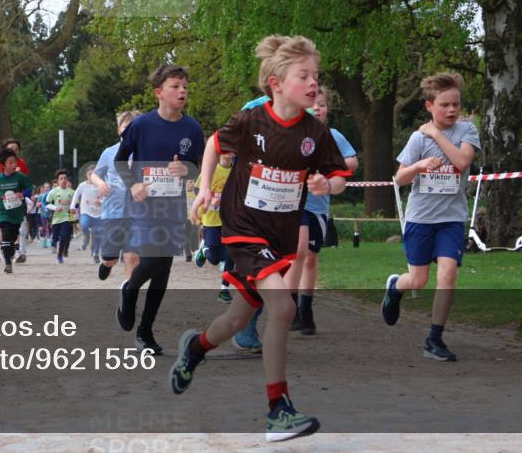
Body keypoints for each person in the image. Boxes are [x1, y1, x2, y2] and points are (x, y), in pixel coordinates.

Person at [170, 35, 350, 442]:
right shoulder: (252, 121)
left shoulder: (315, 133)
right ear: (276, 82)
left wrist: (326, 184)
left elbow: (338, 176)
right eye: (303, 76)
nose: (313, 85)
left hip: (280, 236)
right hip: (244, 229)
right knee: (282, 309)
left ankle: (195, 349)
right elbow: (214, 144)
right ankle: (278, 410)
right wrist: (202, 189)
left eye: (315, 78)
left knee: (236, 319)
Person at [382, 72, 480, 362]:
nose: (451, 110)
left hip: (451, 218)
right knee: (419, 280)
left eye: (456, 104)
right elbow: (399, 178)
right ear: (429, 106)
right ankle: (395, 287)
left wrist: (436, 134)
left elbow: (462, 163)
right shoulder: (416, 139)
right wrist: (419, 166)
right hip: (421, 218)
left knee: (448, 273)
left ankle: (434, 339)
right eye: (444, 105)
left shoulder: (467, 132)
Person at [115, 64, 204, 356]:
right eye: (176, 86)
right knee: (153, 262)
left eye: (185, 87)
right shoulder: (140, 126)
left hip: (172, 205)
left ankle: (146, 331)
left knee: (164, 268)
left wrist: (186, 168)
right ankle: (129, 291)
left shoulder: (192, 128)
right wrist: (133, 185)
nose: (182, 91)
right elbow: (120, 160)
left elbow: (198, 168)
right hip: (144, 205)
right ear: (159, 92)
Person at [288, 87, 358, 335]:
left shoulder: (333, 136)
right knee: (299, 250)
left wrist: (327, 167)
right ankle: (291, 307)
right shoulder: (292, 131)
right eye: (312, 104)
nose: (317, 108)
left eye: (322, 104)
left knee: (311, 256)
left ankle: (306, 311)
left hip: (319, 203)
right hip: (294, 202)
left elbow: (352, 161)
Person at [92, 110, 141, 281]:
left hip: (137, 213)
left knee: (132, 257)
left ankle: (128, 295)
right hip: (113, 212)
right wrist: (101, 184)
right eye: (125, 127)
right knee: (110, 258)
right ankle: (106, 263)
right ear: (119, 130)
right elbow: (94, 174)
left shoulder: (144, 152)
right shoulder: (109, 152)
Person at [192, 150, 234, 303]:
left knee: (231, 254)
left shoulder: (237, 171)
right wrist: (208, 202)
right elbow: (198, 191)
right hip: (211, 220)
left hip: (230, 221)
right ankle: (204, 249)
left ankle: (224, 289)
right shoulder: (211, 170)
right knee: (215, 259)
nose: (228, 151)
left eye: (232, 148)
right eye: (225, 148)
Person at [0, 149, 32, 273]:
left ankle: (10, 253)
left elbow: (29, 189)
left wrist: (22, 194)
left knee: (12, 238)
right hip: (3, 212)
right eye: (10, 163)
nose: (13, 165)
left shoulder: (20, 177)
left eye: (14, 162)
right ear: (3, 165)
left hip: (17, 213)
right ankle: (8, 264)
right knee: (5, 235)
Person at [71, 168, 103, 261]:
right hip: (86, 212)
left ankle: (95, 253)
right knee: (84, 225)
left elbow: (107, 197)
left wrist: (101, 202)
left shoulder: (101, 185)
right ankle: (86, 236)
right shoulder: (82, 185)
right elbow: (76, 196)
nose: (91, 176)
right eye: (90, 174)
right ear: (87, 175)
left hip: (98, 213)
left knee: (97, 234)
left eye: (94, 174)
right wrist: (72, 206)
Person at [45, 170, 75, 264]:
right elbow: (47, 204)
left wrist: (73, 209)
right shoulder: (53, 191)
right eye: (61, 178)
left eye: (65, 178)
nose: (63, 180)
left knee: (64, 236)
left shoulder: (72, 192)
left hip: (66, 217)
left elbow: (76, 205)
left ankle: (60, 255)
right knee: (55, 238)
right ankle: (55, 244)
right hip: (55, 218)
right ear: (58, 181)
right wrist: (54, 208)